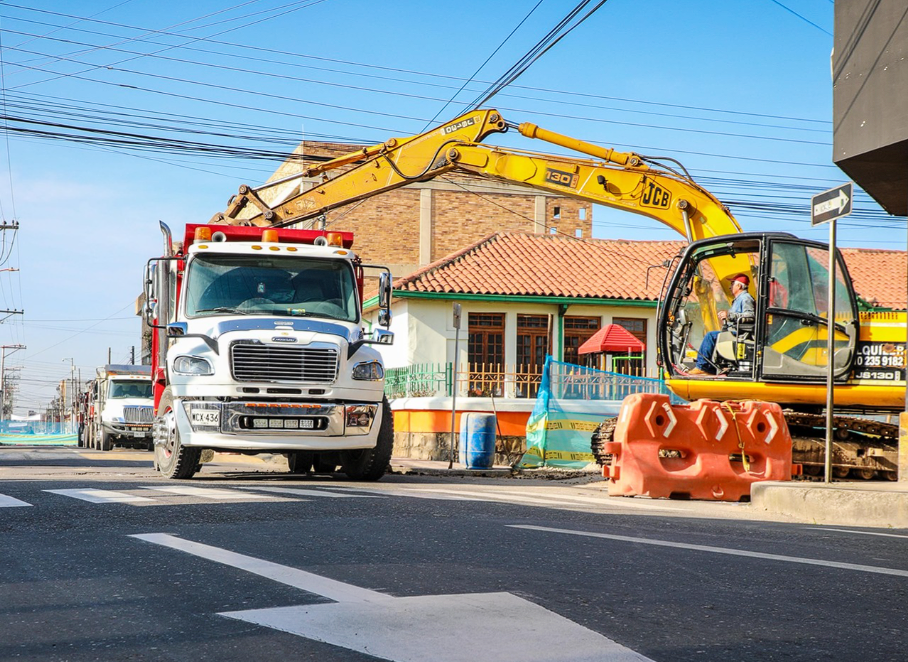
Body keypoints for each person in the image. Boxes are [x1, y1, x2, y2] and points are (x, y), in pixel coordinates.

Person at [689, 273, 755, 375]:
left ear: (740, 286)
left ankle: (702, 366)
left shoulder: (745, 298)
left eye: (732, 284)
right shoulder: (739, 299)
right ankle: (710, 368)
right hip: (736, 332)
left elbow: (750, 316)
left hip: (740, 334)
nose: (730, 287)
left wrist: (729, 315)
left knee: (710, 336)